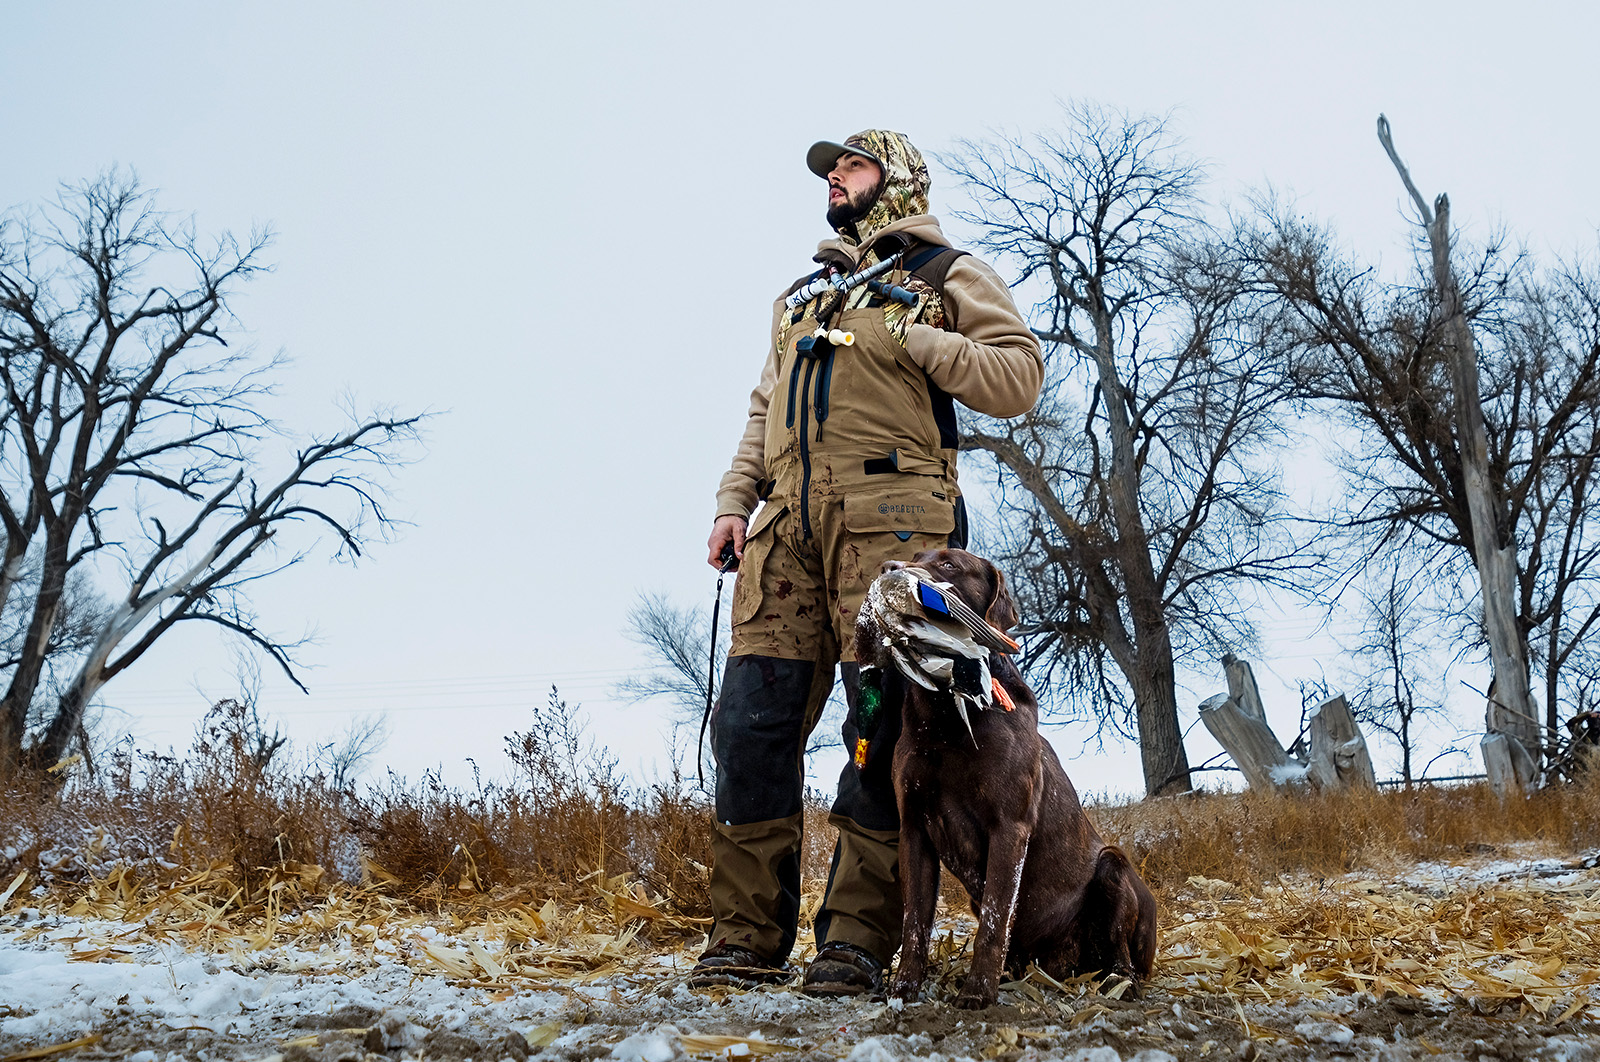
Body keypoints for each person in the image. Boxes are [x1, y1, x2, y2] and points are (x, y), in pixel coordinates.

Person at [694, 130, 1043, 995]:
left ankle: (855, 943)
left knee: (882, 732)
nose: (834, 182)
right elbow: (763, 408)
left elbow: (1020, 378)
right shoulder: (803, 298)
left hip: (896, 530)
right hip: (786, 536)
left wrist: (926, 345)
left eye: (850, 167)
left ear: (898, 180)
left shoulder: (944, 274)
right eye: (831, 172)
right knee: (749, 725)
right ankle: (743, 940)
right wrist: (735, 501)